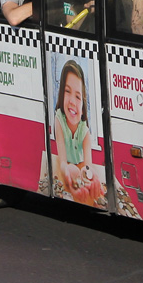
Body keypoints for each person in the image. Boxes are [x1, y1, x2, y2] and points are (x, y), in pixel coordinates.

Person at [52, 60, 106, 207]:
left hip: (78, 171)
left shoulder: (84, 131)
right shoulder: (59, 120)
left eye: (78, 96)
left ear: (83, 103)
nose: (72, 102)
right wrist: (67, 169)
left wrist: (90, 175)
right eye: (67, 91)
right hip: (66, 171)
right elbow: (62, 162)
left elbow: (87, 165)